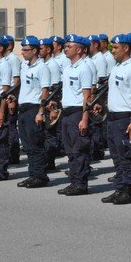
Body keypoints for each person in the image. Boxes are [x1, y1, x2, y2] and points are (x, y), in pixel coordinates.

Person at [101, 34, 131, 205]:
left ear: (126, 48)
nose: (113, 51)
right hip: (112, 118)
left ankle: (127, 190)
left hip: (124, 118)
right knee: (116, 155)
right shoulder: (117, 67)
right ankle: (119, 187)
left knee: (126, 154)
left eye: (116, 48)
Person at [54, 34, 92, 196]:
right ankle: (73, 181)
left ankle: (81, 184)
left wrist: (85, 118)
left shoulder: (84, 68)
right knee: (70, 151)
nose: (66, 49)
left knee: (79, 150)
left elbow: (87, 96)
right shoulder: (68, 68)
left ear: (79, 49)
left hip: (77, 113)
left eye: (69, 46)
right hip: (67, 113)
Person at [17, 35, 51, 188]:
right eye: (22, 49)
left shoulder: (42, 67)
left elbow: (45, 91)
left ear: (35, 50)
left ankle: (40, 176)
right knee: (27, 145)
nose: (23, 52)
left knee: (36, 143)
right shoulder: (24, 65)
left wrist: (41, 112)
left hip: (33, 109)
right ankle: (32, 174)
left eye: (26, 49)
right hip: (23, 109)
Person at [39, 38, 62, 171]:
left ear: (48, 50)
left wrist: (54, 108)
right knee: (44, 134)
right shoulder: (43, 63)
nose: (39, 51)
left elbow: (55, 89)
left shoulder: (52, 65)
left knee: (50, 134)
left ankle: (50, 161)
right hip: (43, 104)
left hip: (50, 105)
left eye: (41, 48)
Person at [0, 35, 12, 181]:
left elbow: (6, 91)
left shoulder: (5, 65)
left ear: (0, 48)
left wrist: (1, 111)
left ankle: (0, 170)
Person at [3, 35, 21, 165]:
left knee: (11, 128)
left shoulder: (13, 59)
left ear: (8, 46)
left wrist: (13, 100)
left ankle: (13, 155)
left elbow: (16, 81)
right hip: (4, 97)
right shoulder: (4, 59)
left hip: (10, 98)